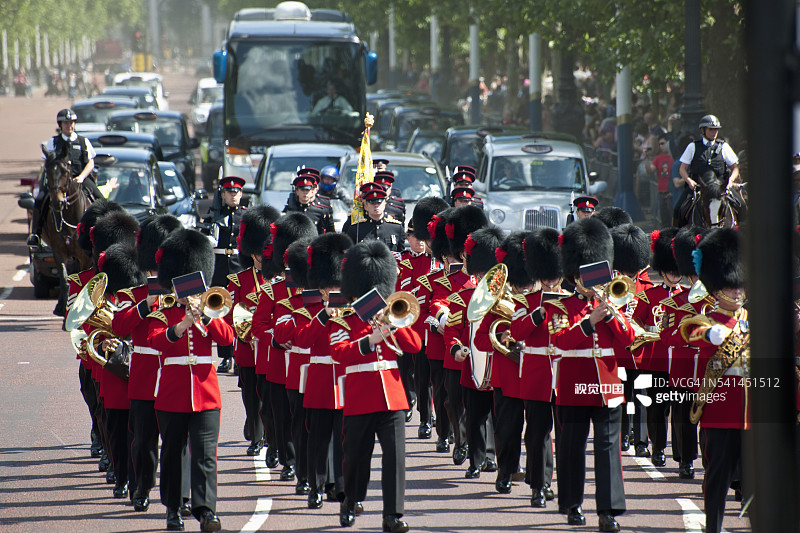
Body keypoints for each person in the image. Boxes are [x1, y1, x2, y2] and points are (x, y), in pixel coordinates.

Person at [331, 240, 422, 533]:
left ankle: (392, 515)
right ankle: (350, 501)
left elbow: (415, 345)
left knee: (395, 459)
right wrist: (369, 341)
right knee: (356, 458)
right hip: (360, 397)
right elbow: (338, 353)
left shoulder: (390, 313)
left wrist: (393, 324)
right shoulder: (344, 318)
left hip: (393, 398)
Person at [679, 228, 749, 533]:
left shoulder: (753, 320)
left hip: (752, 413)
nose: (737, 292)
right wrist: (710, 333)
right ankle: (713, 527)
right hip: (720, 412)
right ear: (718, 288)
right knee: (718, 475)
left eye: (740, 287)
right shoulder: (707, 319)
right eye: (731, 288)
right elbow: (689, 330)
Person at [28, 108, 100, 247]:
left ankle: (105, 233)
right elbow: (48, 163)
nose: (69, 125)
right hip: (58, 181)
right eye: (66, 123)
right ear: (60, 125)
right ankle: (35, 234)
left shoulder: (83, 141)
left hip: (80, 179)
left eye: (72, 122)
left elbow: (91, 162)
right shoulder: (53, 142)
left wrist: (81, 177)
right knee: (40, 200)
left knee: (100, 199)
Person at [201, 176, 247, 374]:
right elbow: (203, 240)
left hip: (238, 266)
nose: (233, 195)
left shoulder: (246, 215)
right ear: (223, 194)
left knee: (239, 312)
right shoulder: (212, 215)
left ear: (241, 194)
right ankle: (226, 356)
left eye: (236, 192)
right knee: (219, 311)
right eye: (229, 192)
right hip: (219, 267)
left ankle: (239, 355)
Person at [675, 115, 740, 220]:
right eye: (711, 129)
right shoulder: (693, 146)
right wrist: (689, 181)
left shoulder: (724, 146)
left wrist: (730, 181)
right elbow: (682, 169)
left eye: (716, 130)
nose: (714, 132)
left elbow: (735, 168)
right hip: (698, 188)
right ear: (703, 130)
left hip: (720, 188)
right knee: (677, 209)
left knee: (742, 206)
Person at [342, 182, 405, 252]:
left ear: (385, 204)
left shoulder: (396, 228)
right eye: (372, 203)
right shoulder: (356, 228)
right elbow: (349, 254)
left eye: (379, 203)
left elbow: (401, 254)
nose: (376, 206)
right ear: (366, 205)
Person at [650, 134, 674, 228]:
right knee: (664, 220)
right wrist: (645, 158)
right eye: (659, 144)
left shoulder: (675, 157)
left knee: (674, 219)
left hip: (672, 192)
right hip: (661, 192)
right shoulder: (658, 158)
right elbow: (650, 170)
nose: (661, 146)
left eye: (663, 143)